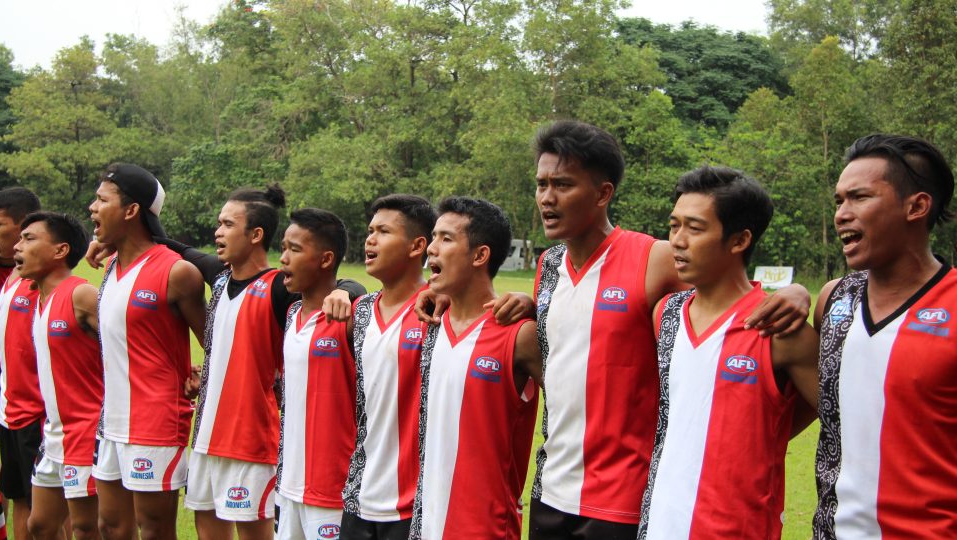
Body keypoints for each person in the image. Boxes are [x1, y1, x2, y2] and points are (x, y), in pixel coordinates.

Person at [523, 121, 810, 539]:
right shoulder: (548, 266)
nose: (547, 197)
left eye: (562, 184)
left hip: (626, 498)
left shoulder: (654, 259)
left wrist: (796, 292)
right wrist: (521, 305)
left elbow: (727, 300)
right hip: (551, 486)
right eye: (541, 184)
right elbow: (571, 340)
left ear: (603, 193)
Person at [136, 186, 364, 538]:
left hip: (249, 443)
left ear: (255, 234)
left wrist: (346, 289)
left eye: (228, 224)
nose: (218, 231)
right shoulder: (221, 275)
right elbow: (174, 246)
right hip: (206, 437)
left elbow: (334, 283)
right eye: (219, 223)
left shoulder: (279, 288)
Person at [637, 166, 819, 539]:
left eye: (695, 228)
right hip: (659, 522)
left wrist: (764, 436)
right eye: (674, 226)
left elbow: (834, 412)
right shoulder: (665, 314)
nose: (677, 240)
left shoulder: (779, 328)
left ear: (739, 241)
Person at [814, 134, 957, 538]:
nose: (842, 213)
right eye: (839, 200)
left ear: (917, 206)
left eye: (859, 198)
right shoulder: (832, 301)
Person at [409, 197, 542, 540]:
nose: (432, 249)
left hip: (485, 529)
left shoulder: (520, 334)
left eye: (446, 239)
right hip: (425, 522)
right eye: (433, 237)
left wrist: (535, 307)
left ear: (480, 256)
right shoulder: (430, 324)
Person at [89, 163, 207, 540]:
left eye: (102, 200)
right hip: (111, 421)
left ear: (131, 210)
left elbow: (215, 341)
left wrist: (201, 373)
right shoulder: (110, 266)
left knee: (154, 529)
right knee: (110, 526)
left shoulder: (177, 272)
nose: (92, 207)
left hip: (155, 422)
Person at [339, 195, 436, 540]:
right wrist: (343, 289)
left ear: (417, 246)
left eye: (383, 231)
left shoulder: (439, 311)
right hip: (358, 495)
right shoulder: (360, 312)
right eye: (369, 231)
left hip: (415, 503)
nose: (370, 239)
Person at [14, 212, 102, 539]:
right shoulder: (39, 298)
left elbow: (128, 344)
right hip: (55, 434)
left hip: (86, 431)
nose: (18, 246)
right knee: (40, 524)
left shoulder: (81, 295)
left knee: (85, 527)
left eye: (29, 239)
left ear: (60, 251)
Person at [275, 208, 356, 540]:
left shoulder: (349, 318)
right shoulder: (293, 312)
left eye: (294, 249)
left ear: (326, 259)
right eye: (284, 248)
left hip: (332, 489)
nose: (283, 259)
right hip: (287, 485)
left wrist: (349, 289)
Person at [0, 187, 43, 540]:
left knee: (47, 495)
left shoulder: (45, 281)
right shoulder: (12, 278)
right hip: (7, 395)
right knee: (15, 488)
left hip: (34, 401)